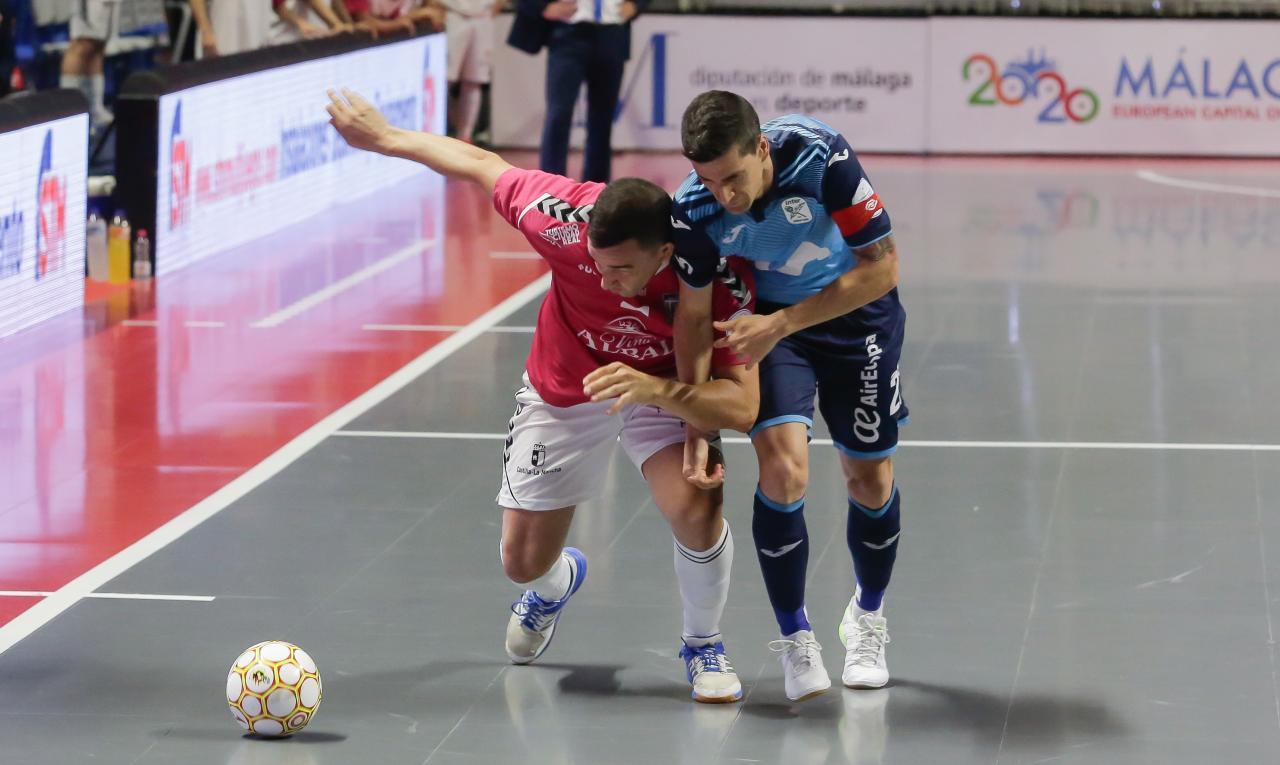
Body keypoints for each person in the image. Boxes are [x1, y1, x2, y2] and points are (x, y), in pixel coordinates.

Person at [326, 88, 760, 703]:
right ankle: (555, 585)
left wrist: (688, 416)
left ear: (664, 254)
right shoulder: (558, 220)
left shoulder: (711, 271)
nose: (608, 281)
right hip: (569, 384)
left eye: (623, 273)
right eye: (598, 267)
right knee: (521, 561)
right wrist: (386, 138)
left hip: (667, 386)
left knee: (698, 505)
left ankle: (703, 644)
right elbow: (482, 164)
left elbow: (742, 405)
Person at [670, 90, 907, 702]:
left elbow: (882, 267)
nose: (725, 195)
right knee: (783, 471)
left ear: (762, 147)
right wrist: (699, 426)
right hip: (768, 330)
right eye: (709, 180)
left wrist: (784, 323)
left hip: (856, 314)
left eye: (734, 176)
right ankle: (795, 636)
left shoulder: (821, 157)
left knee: (869, 480)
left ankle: (868, 616)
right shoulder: (694, 210)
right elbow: (694, 320)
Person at [506, 0, 647, 182]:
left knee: (602, 120)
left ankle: (597, 190)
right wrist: (542, 7)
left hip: (612, 32)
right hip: (568, 33)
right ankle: (551, 186)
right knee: (558, 114)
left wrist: (637, 5)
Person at [438, 0, 502, 143]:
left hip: (483, 15)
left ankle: (465, 136)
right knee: (445, 78)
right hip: (453, 14)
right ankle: (438, 132)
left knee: (475, 79)